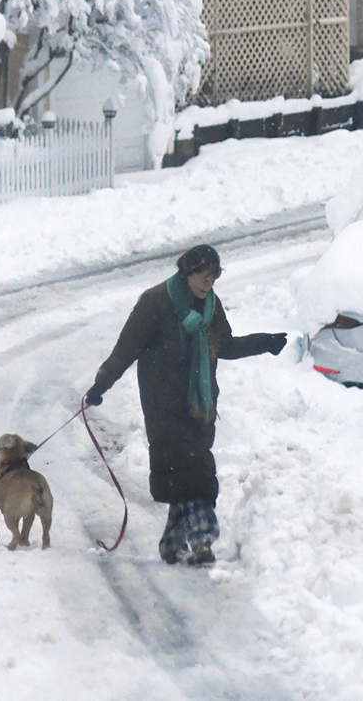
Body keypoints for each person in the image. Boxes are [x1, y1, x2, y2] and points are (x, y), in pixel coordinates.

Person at [84, 243, 285, 567]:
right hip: (163, 403)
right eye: (203, 277)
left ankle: (172, 544)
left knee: (184, 476)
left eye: (213, 278)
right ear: (187, 272)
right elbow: (126, 349)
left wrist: (265, 342)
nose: (208, 284)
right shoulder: (155, 303)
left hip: (201, 405)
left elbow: (226, 346)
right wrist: (101, 384)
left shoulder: (211, 307)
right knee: (197, 472)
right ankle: (203, 542)